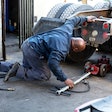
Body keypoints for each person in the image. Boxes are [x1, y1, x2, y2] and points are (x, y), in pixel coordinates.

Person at [4, 15, 96, 88]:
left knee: (28, 69)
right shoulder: (61, 48)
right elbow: (53, 64)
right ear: (75, 49)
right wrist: (65, 79)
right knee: (44, 75)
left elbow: (72, 20)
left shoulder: (66, 31)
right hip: (32, 50)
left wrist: (86, 18)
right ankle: (17, 70)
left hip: (29, 42)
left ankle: (5, 66)